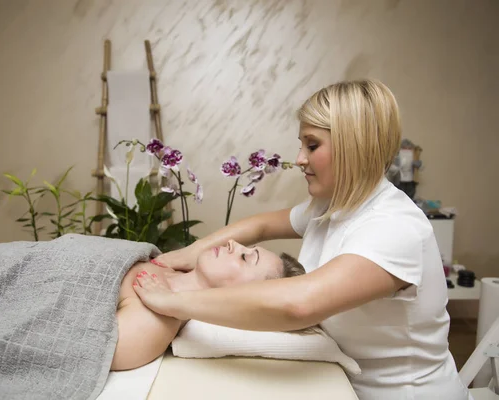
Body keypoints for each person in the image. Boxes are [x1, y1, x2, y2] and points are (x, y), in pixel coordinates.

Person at [132, 80, 470, 399]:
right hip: (341, 384)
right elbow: (260, 226)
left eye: (312, 145)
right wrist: (190, 253)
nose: (300, 159)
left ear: (354, 147)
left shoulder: (394, 228)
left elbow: (300, 305)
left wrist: (174, 302)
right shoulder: (335, 206)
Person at [112, 241, 304, 370]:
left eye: (245, 257)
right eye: (245, 246)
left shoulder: (156, 322)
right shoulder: (164, 262)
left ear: (247, 298)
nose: (232, 243)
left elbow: (87, 352)